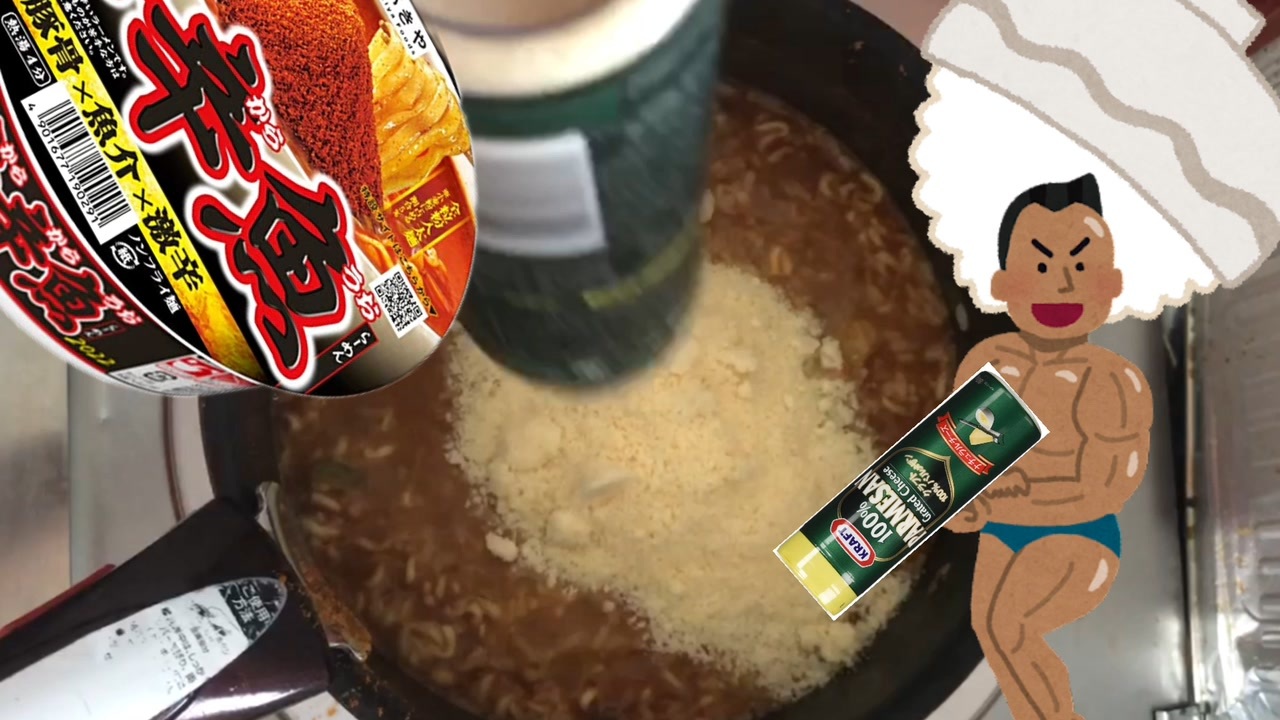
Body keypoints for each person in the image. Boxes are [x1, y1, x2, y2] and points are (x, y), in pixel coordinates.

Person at [945, 174, 1153, 720]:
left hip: (1079, 536)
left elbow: (1104, 490)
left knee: (1005, 628)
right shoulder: (989, 362)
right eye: (1040, 265)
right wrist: (965, 505)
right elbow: (957, 466)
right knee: (991, 628)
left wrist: (1003, 499)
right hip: (1002, 534)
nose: (1060, 284)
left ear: (1110, 284)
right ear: (1004, 283)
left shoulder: (1113, 381)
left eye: (1079, 266)